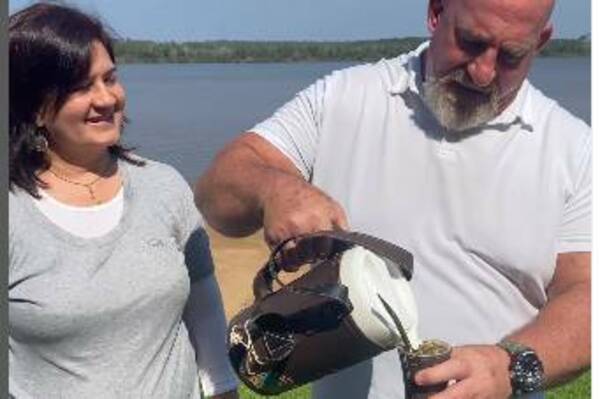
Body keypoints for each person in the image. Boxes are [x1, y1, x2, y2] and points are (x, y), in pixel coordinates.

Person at [195, 0, 590, 398]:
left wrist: (506, 366)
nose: (483, 72)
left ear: (540, 42)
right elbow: (216, 190)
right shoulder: (344, 99)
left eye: (511, 56)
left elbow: (587, 295)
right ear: (436, 13)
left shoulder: (576, 150)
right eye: (471, 42)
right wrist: (274, 189)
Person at [8, 3, 238, 398]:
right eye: (81, 87)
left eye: (110, 78)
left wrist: (222, 386)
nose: (106, 99)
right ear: (37, 107)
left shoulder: (164, 186)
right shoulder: (14, 212)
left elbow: (203, 300)